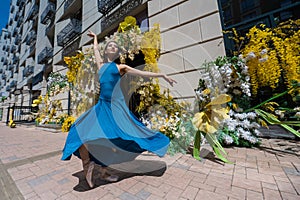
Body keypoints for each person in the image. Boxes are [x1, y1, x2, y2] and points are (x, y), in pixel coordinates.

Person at [61, 30, 177, 188]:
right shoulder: (101, 65)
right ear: (106, 50)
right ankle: (89, 166)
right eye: (110, 46)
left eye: (115, 46)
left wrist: (162, 75)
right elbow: (95, 50)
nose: (113, 47)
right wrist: (95, 38)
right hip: (102, 105)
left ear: (117, 51)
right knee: (79, 130)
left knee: (123, 134)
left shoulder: (121, 67)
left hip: (116, 106)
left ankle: (104, 169)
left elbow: (142, 72)